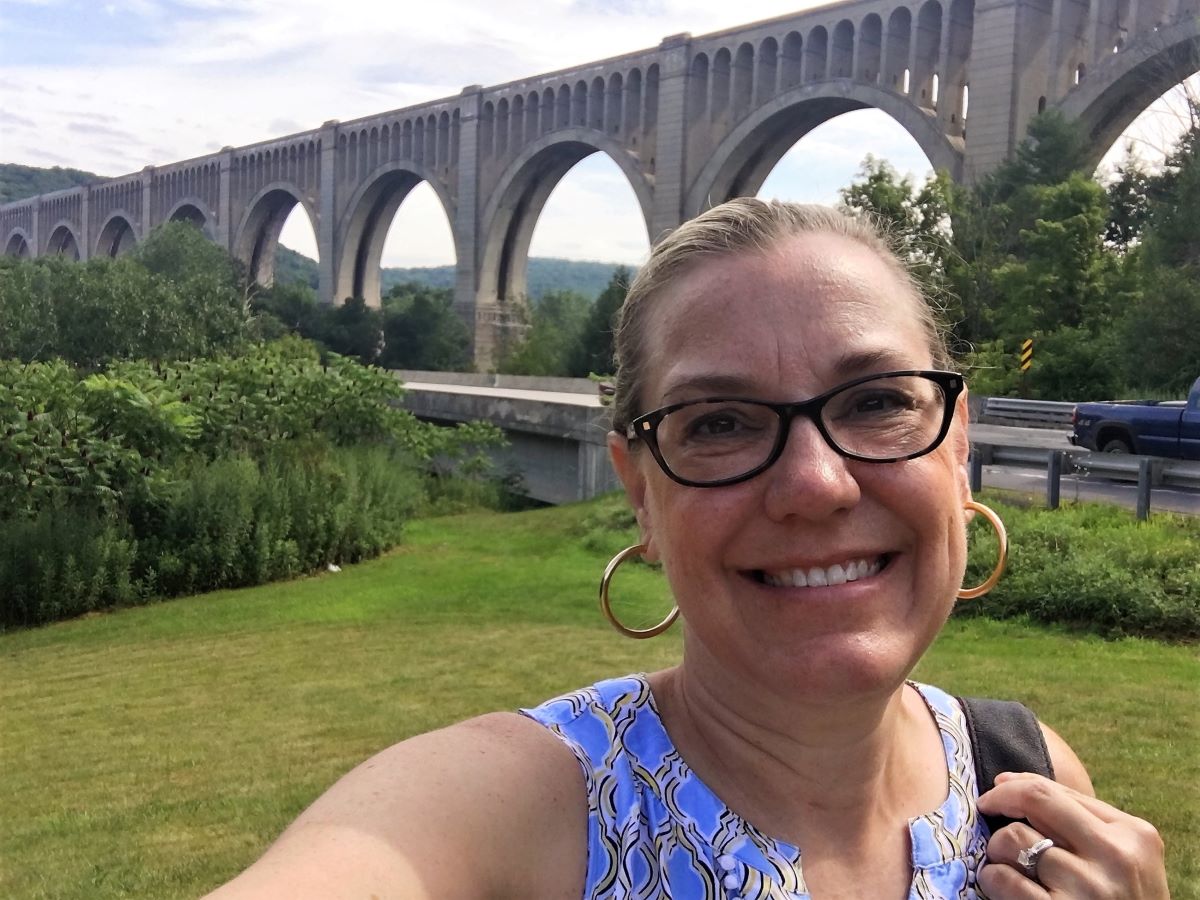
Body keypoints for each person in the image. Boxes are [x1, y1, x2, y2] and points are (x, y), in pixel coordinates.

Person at [207, 199, 1169, 899]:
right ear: (641, 493)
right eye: (720, 424)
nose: (814, 485)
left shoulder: (1032, 790)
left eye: (877, 402)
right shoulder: (524, 813)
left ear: (957, 452)